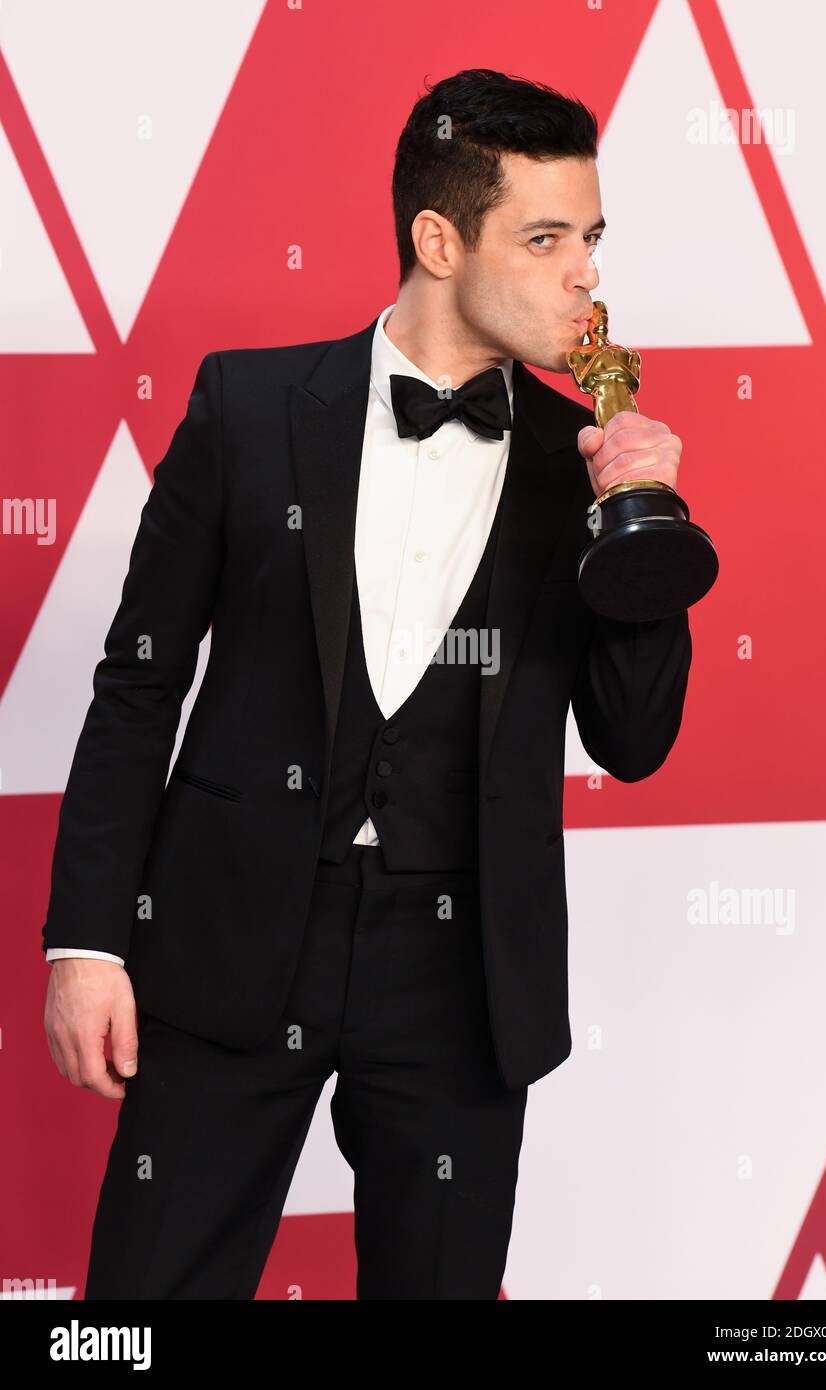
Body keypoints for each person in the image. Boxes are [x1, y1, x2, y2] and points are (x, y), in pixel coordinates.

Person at [42, 67, 691, 1300]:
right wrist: (85, 940)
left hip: (458, 980)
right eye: (544, 238)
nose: (584, 275)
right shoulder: (249, 406)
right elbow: (138, 684)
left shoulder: (577, 463)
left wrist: (641, 529)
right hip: (233, 939)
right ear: (436, 239)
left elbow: (634, 739)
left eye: (590, 238)